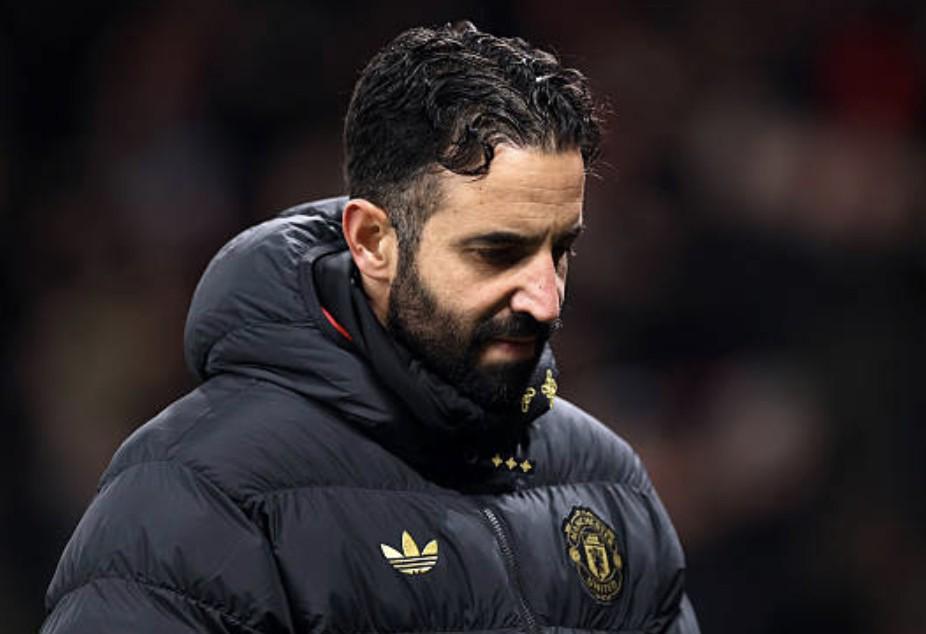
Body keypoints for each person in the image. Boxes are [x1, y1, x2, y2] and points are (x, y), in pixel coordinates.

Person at [42, 22, 699, 633]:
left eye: (561, 249)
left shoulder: (607, 483)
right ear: (372, 241)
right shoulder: (197, 497)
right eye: (496, 252)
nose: (546, 300)